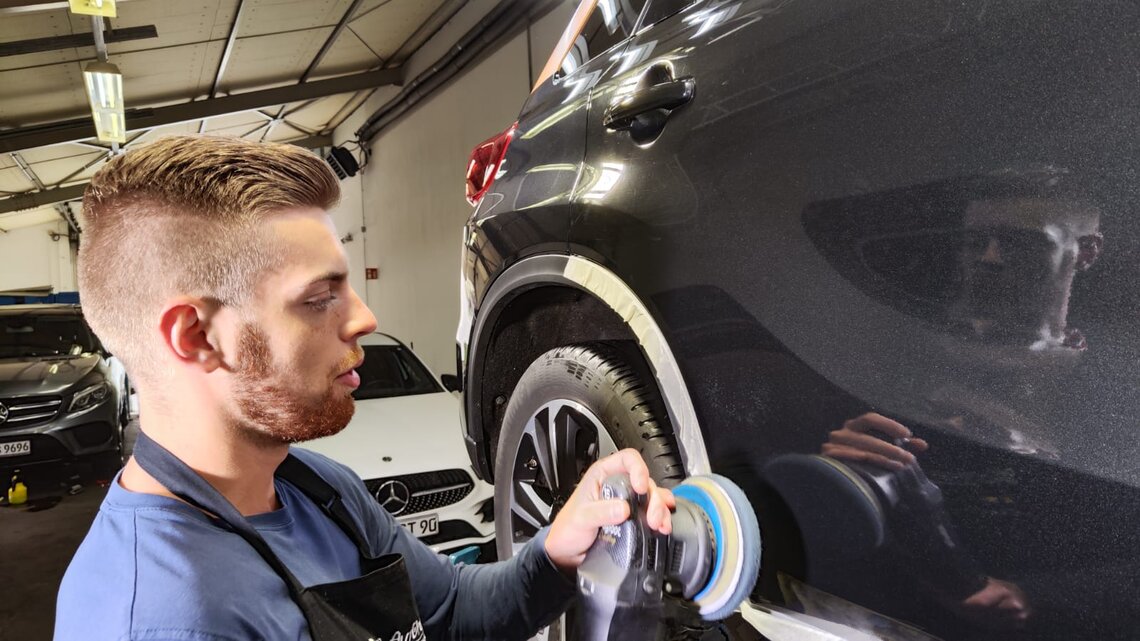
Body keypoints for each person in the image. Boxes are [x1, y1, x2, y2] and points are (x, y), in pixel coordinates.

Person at [54, 135, 675, 641]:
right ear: (197, 336)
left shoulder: (316, 488)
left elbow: (452, 611)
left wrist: (558, 550)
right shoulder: (162, 617)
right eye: (318, 298)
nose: (364, 319)